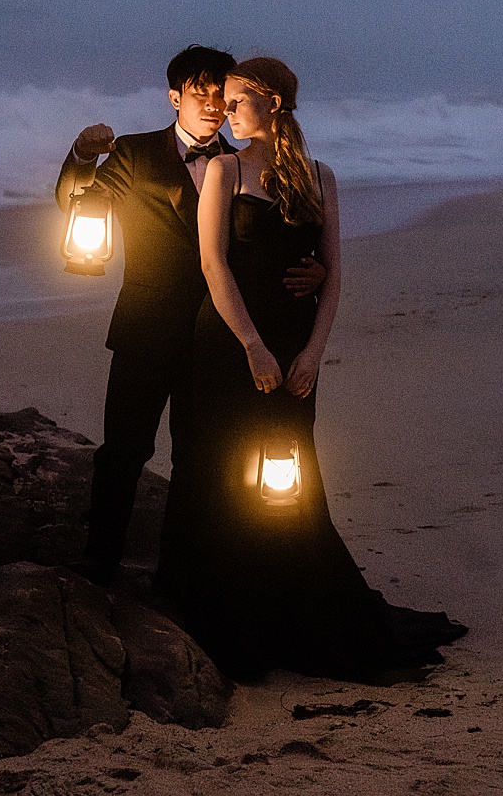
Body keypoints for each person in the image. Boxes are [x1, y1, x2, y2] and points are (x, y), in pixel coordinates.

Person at [161, 55, 466, 679]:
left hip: (296, 347)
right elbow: (213, 266)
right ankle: (232, 617)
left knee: (288, 477)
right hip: (228, 345)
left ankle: (293, 607)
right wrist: (252, 344)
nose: (226, 109)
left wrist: (313, 353)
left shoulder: (320, 177)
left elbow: (333, 275)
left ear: (272, 102)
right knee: (224, 471)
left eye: (237, 99)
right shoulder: (222, 169)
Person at [55, 45, 322, 586]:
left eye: (221, 94)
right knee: (124, 451)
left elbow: (270, 237)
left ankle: (184, 577)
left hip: (218, 336)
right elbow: (77, 201)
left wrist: (313, 270)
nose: (213, 104)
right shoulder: (135, 152)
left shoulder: (242, 161)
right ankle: (99, 562)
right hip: (147, 328)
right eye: (200, 92)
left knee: (199, 460)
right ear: (174, 96)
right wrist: (82, 158)